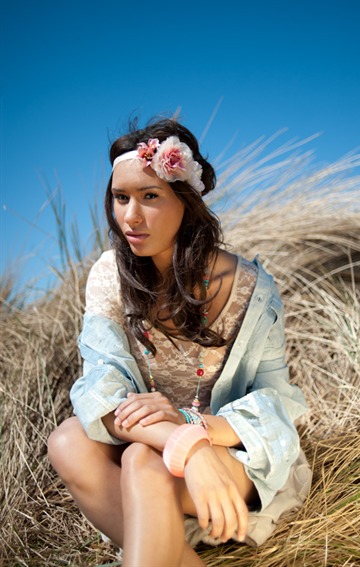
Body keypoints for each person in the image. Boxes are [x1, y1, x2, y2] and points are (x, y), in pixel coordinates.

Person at [47, 117, 312, 567]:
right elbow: (100, 391)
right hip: (155, 441)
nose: (130, 217)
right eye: (120, 198)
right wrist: (186, 446)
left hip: (231, 455)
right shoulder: (110, 275)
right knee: (68, 440)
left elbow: (278, 402)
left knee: (141, 461)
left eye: (150, 196)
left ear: (186, 201)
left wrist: (198, 430)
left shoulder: (250, 287)